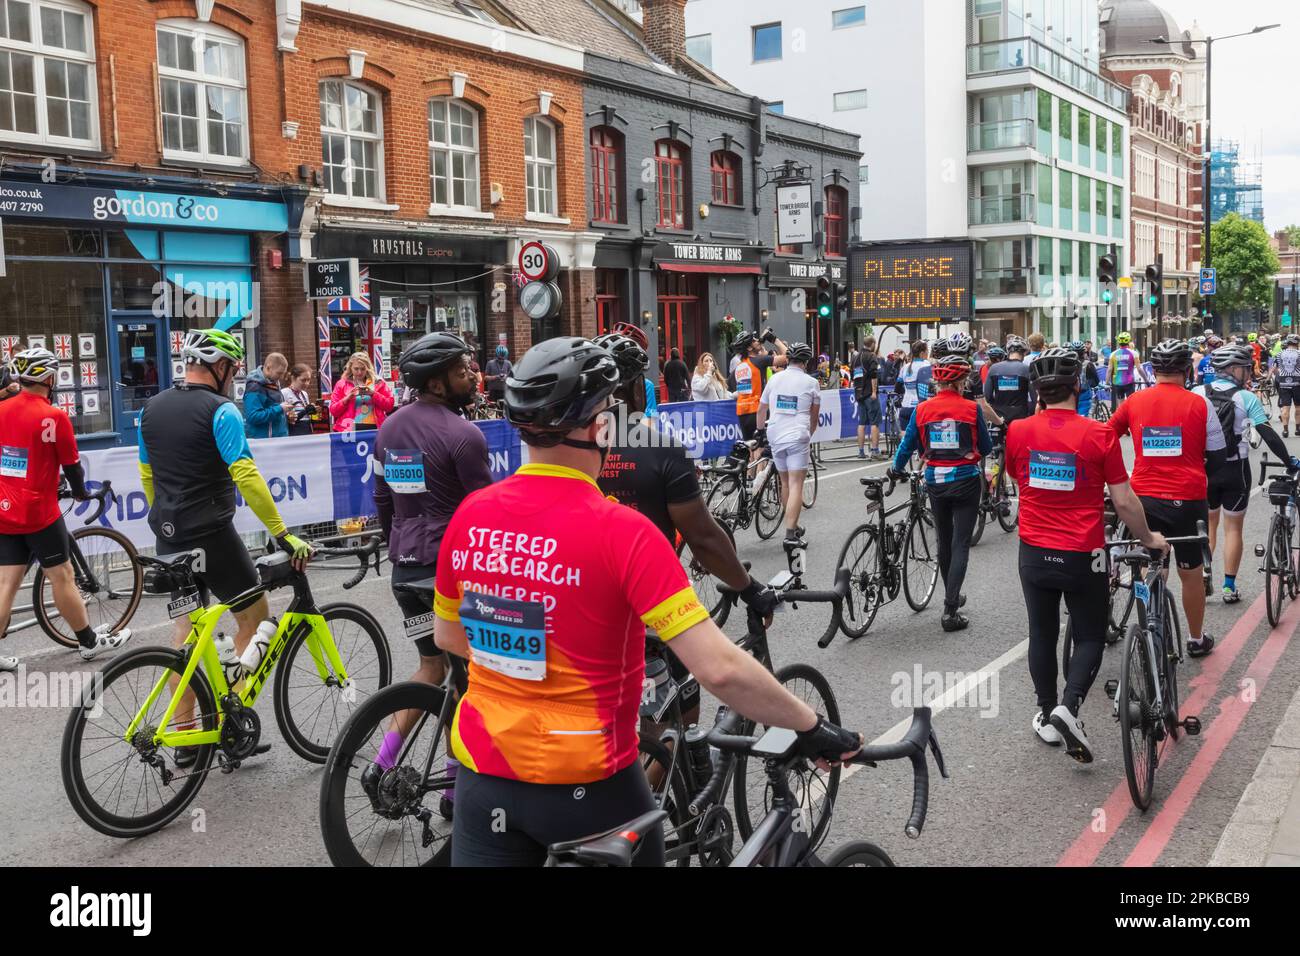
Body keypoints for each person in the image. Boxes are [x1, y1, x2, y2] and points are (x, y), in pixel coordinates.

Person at [432, 337, 862, 866]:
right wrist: (809, 725)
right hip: (589, 783)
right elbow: (719, 670)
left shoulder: (472, 515)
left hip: (484, 774)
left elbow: (450, 637)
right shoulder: (623, 532)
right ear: (599, 427)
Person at [138, 329, 312, 766]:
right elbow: (247, 476)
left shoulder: (150, 409)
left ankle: (187, 739)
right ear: (219, 368)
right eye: (232, 369)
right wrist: (281, 531)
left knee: (185, 631)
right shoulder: (222, 411)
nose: (235, 377)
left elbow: (146, 475)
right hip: (211, 533)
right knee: (254, 618)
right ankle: (230, 716)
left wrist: (163, 514)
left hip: (168, 533)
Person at [594, 330, 777, 739]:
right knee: (679, 709)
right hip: (649, 596)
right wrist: (748, 587)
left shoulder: (577, 447)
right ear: (632, 387)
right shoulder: (658, 446)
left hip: (585, 595)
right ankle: (669, 784)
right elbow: (704, 536)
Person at [1006, 348, 1168, 763]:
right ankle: (1070, 706)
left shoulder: (1019, 431)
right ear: (1077, 386)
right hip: (1086, 553)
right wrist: (1148, 538)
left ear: (1038, 392)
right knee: (1091, 634)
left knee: (1041, 633)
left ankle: (1045, 714)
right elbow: (1125, 501)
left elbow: (1015, 476)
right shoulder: (1099, 435)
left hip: (1034, 551)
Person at [364, 331, 492, 811]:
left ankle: (381, 763)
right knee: (473, 680)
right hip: (448, 575)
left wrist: (396, 543)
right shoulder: (465, 436)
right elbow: (483, 518)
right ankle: (457, 788)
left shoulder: (389, 428)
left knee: (432, 668)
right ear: (437, 384)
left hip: (407, 574)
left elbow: (382, 501)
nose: (472, 377)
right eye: (462, 372)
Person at [0, 348, 132, 671]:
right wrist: (81, 493)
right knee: (62, 576)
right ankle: (88, 641)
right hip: (40, 512)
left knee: (5, 584)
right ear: (47, 377)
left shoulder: (2, 409)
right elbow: (72, 466)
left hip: (5, 509)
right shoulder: (54, 417)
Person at [1109, 340, 1219, 659]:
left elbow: (1105, 436)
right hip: (1188, 500)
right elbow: (1219, 455)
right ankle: (1196, 639)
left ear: (1153, 370)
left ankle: (1148, 626)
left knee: (1149, 562)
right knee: (1191, 573)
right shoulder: (1201, 403)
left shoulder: (1134, 401)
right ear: (1188, 369)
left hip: (1143, 498)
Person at [890, 352, 992, 632]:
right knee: (960, 544)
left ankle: (952, 597)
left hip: (935, 482)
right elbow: (985, 448)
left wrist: (895, 469)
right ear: (962, 381)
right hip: (966, 481)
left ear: (936, 382)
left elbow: (907, 445)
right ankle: (950, 609)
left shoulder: (922, 409)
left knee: (944, 543)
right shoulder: (972, 409)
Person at [1194, 344, 1300, 604]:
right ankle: (1229, 586)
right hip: (1235, 470)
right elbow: (1267, 433)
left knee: (1208, 526)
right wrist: (1290, 461)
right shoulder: (1246, 398)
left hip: (1204, 469)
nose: (1248, 373)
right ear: (1233, 370)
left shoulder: (1196, 393)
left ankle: (1203, 572)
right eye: (1245, 368)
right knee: (1233, 529)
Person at [757, 343, 821, 542]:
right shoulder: (811, 383)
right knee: (796, 485)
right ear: (806, 362)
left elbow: (761, 410)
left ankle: (791, 525)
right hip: (797, 434)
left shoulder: (775, 379)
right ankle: (791, 533)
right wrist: (808, 435)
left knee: (784, 483)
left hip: (775, 433)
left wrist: (760, 433)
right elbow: (814, 417)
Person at [730, 330, 788, 441]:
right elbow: (788, 357)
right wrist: (774, 339)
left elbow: (731, 385)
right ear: (749, 348)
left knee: (751, 448)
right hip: (757, 411)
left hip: (742, 412)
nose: (758, 341)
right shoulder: (759, 361)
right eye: (754, 340)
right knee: (762, 450)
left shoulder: (739, 367)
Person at [329, 351, 394, 433]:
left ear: (368, 368)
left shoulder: (378, 382)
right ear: (350, 368)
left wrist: (373, 394)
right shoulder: (341, 384)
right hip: (348, 429)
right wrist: (347, 398)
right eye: (356, 369)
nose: (359, 372)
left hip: (375, 427)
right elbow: (333, 411)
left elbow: (389, 406)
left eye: (363, 369)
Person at [983, 336, 1032, 427]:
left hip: (999, 416)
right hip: (1020, 417)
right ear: (1024, 353)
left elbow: (987, 396)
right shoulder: (1026, 369)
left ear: (1008, 352)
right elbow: (1033, 397)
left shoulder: (994, 368)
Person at [242, 351, 291, 439]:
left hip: (274, 440)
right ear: (268, 368)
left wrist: (286, 416)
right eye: (279, 373)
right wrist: (280, 408)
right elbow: (253, 417)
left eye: (283, 373)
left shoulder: (272, 382)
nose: (281, 377)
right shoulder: (255, 386)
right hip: (264, 442)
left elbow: (271, 410)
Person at [852, 336, 881, 459]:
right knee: (874, 422)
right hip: (869, 393)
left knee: (861, 423)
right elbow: (874, 375)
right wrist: (874, 391)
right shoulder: (871, 356)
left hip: (859, 393)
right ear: (873, 344)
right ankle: (874, 450)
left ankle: (861, 451)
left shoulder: (855, 357)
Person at [897, 340, 931, 434]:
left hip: (905, 408)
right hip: (920, 408)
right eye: (927, 351)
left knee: (905, 441)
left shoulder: (905, 367)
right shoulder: (927, 365)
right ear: (922, 353)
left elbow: (897, 387)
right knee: (921, 441)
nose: (928, 354)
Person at [280, 364, 318, 436]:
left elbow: (306, 416)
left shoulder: (304, 394)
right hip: (294, 433)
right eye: (303, 380)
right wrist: (305, 411)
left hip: (307, 431)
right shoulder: (284, 393)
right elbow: (287, 419)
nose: (307, 383)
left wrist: (313, 413)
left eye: (308, 380)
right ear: (293, 378)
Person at [1107, 332, 1141, 412]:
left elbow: (1109, 370)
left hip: (1117, 382)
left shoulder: (1113, 354)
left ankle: (1122, 421)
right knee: (1131, 403)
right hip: (1129, 382)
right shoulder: (1134, 353)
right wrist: (1146, 379)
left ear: (1119, 342)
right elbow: (1139, 369)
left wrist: (1107, 382)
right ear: (1128, 341)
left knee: (1120, 405)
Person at [1274, 335, 1300, 438]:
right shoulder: (1299, 353)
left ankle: (1285, 431)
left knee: (1285, 407)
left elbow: (1275, 368)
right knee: (1298, 407)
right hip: (1297, 383)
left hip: (1284, 383)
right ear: (1296, 343)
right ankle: (1297, 429)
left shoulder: (1280, 354)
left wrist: (1279, 377)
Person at [1068, 340, 1100, 418]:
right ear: (1083, 352)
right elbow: (1096, 382)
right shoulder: (1088, 364)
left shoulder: (1067, 364)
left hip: (1069, 398)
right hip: (1084, 397)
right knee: (1083, 421)